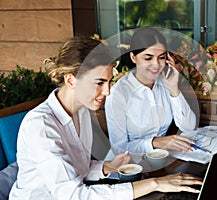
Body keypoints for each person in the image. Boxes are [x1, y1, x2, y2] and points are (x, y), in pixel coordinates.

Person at [9, 36, 202, 200]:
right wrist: (154, 183)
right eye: (99, 83)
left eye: (109, 82)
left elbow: (76, 169)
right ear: (70, 80)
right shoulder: (40, 126)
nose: (108, 91)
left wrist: (107, 167)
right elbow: (74, 194)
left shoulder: (82, 111)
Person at [105, 27, 197, 154]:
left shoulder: (166, 82)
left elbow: (189, 127)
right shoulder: (118, 94)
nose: (156, 64)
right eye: (148, 58)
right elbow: (118, 148)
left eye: (161, 57)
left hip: (161, 159)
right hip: (127, 166)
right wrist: (155, 142)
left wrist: (174, 89)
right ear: (133, 57)